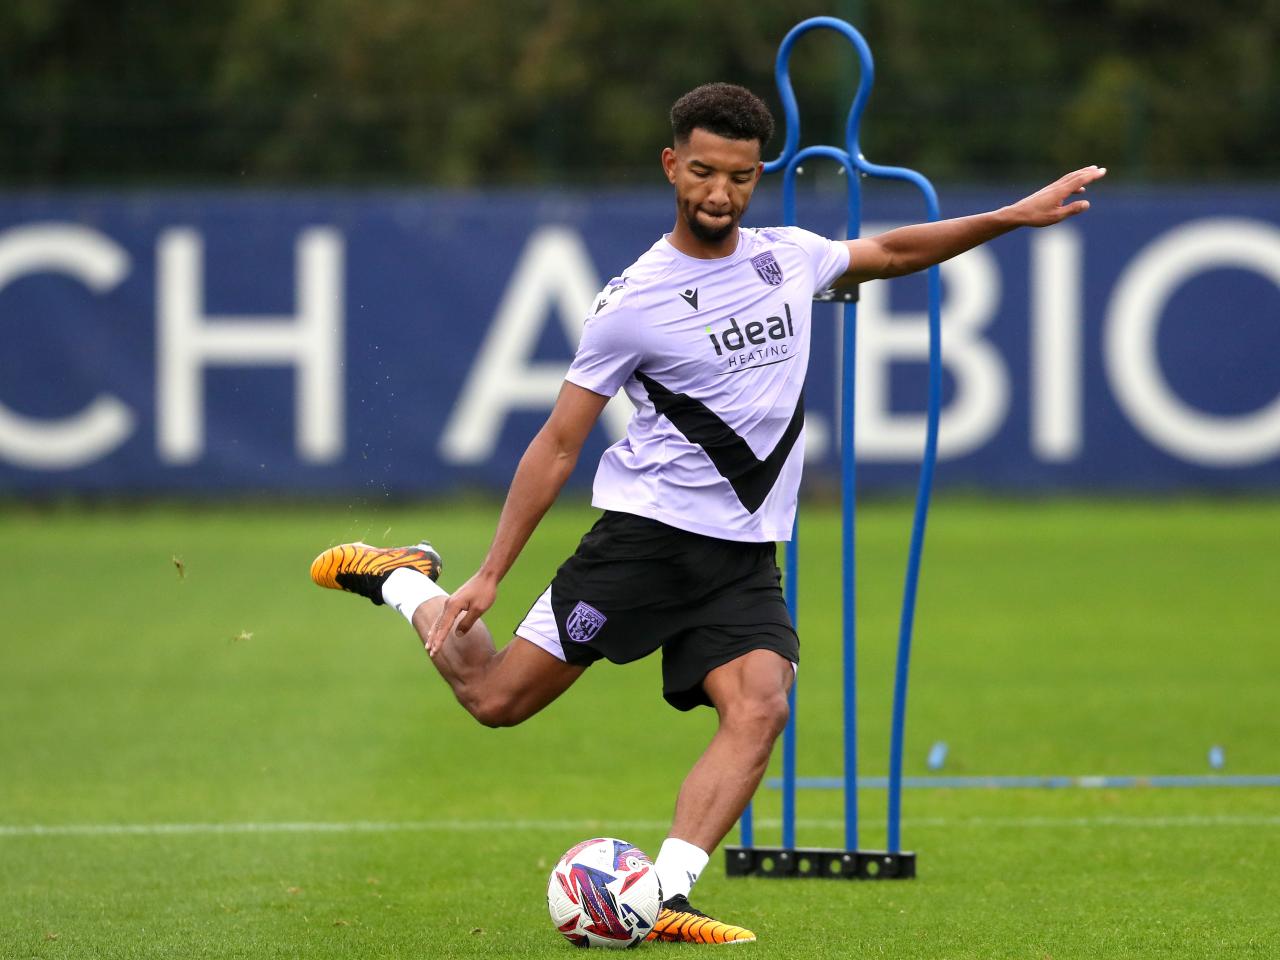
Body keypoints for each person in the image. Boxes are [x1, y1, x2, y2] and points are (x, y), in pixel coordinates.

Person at [310, 82, 1105, 944]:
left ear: (756, 175)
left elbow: (896, 250)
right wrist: (491, 571)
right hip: (643, 546)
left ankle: (661, 899)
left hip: (744, 556)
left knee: (762, 706)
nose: (718, 193)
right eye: (701, 173)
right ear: (671, 166)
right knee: (496, 699)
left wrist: (1010, 216)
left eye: (738, 176)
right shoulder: (632, 302)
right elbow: (558, 445)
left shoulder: (786, 257)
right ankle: (401, 578)